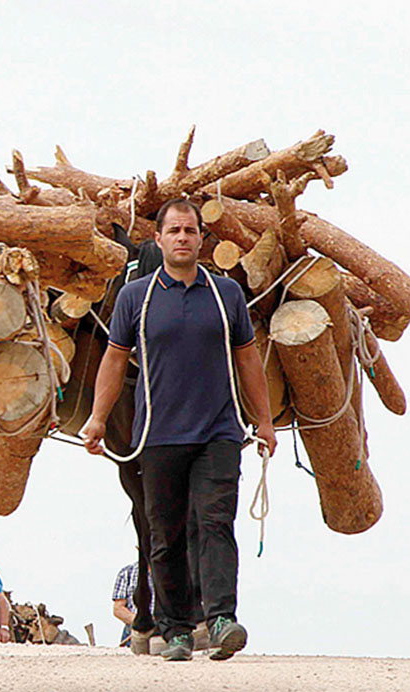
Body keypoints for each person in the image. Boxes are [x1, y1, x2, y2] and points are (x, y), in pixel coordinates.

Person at [83, 199, 277, 662]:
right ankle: (174, 631)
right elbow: (113, 360)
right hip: (157, 433)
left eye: (190, 230)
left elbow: (248, 358)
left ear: (201, 239)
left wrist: (264, 420)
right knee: (164, 533)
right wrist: (95, 418)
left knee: (214, 523)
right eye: (175, 231)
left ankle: (221, 618)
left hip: (219, 431)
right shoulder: (137, 297)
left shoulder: (225, 292)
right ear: (160, 239)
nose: (183, 238)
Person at [112, 560, 155, 648]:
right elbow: (118, 609)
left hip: (166, 633)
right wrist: (142, 621)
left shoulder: (175, 572)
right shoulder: (127, 572)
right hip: (133, 633)